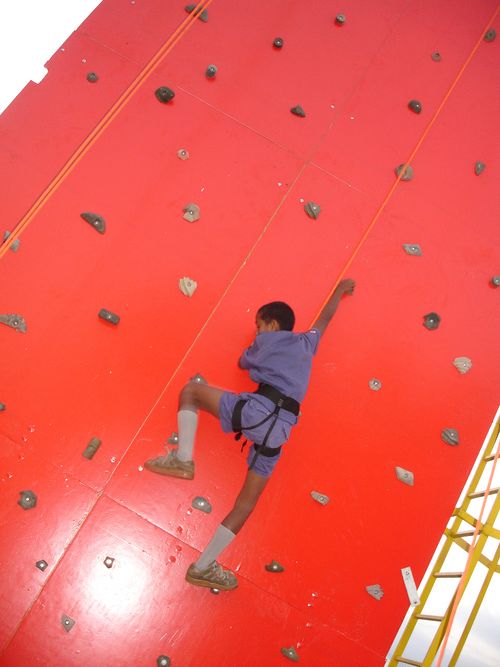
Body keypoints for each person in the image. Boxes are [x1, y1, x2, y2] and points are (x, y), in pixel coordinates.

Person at [145, 278, 355, 590]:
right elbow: (324, 320)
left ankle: (184, 459)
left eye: (258, 326)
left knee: (191, 392)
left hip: (259, 412)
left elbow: (242, 362)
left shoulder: (265, 343)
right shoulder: (307, 343)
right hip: (278, 434)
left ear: (272, 324)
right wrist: (339, 291)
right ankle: (202, 568)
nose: (256, 332)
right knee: (245, 505)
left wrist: (253, 348)